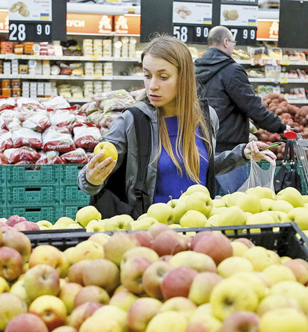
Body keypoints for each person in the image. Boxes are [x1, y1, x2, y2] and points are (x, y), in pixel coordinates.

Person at [78, 35, 275, 216]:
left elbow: (201, 167)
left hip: (197, 227)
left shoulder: (206, 117)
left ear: (184, 77)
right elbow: (89, 179)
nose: (152, 85)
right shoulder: (132, 121)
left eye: (163, 77)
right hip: (151, 232)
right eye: (147, 75)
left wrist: (242, 154)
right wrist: (91, 178)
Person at [194, 26, 286, 194]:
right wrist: (280, 128)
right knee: (239, 203)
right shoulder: (231, 70)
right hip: (230, 150)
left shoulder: (195, 69)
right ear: (225, 42)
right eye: (233, 43)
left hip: (202, 146)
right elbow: (252, 106)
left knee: (206, 203)